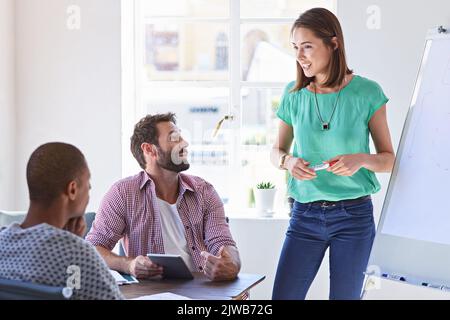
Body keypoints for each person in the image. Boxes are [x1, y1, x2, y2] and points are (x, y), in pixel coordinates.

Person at [271, 8, 395, 300]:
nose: (300, 56)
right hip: (304, 215)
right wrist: (288, 162)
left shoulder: (367, 93)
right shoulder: (293, 94)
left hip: (353, 217)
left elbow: (388, 159)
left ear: (333, 44)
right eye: (296, 48)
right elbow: (275, 151)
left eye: (307, 46)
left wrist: (360, 159)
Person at [86, 113, 241, 281]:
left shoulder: (204, 191)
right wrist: (128, 265)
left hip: (202, 291)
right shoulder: (123, 194)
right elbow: (93, 248)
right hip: (152, 294)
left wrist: (231, 263)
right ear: (149, 149)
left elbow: (223, 242)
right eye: (174, 138)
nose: (184, 143)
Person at [0, 143, 124, 300]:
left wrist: (72, 243)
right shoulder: (77, 254)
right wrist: (75, 246)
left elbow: (74, 288)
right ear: (72, 190)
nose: (89, 192)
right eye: (88, 185)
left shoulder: (3, 242)